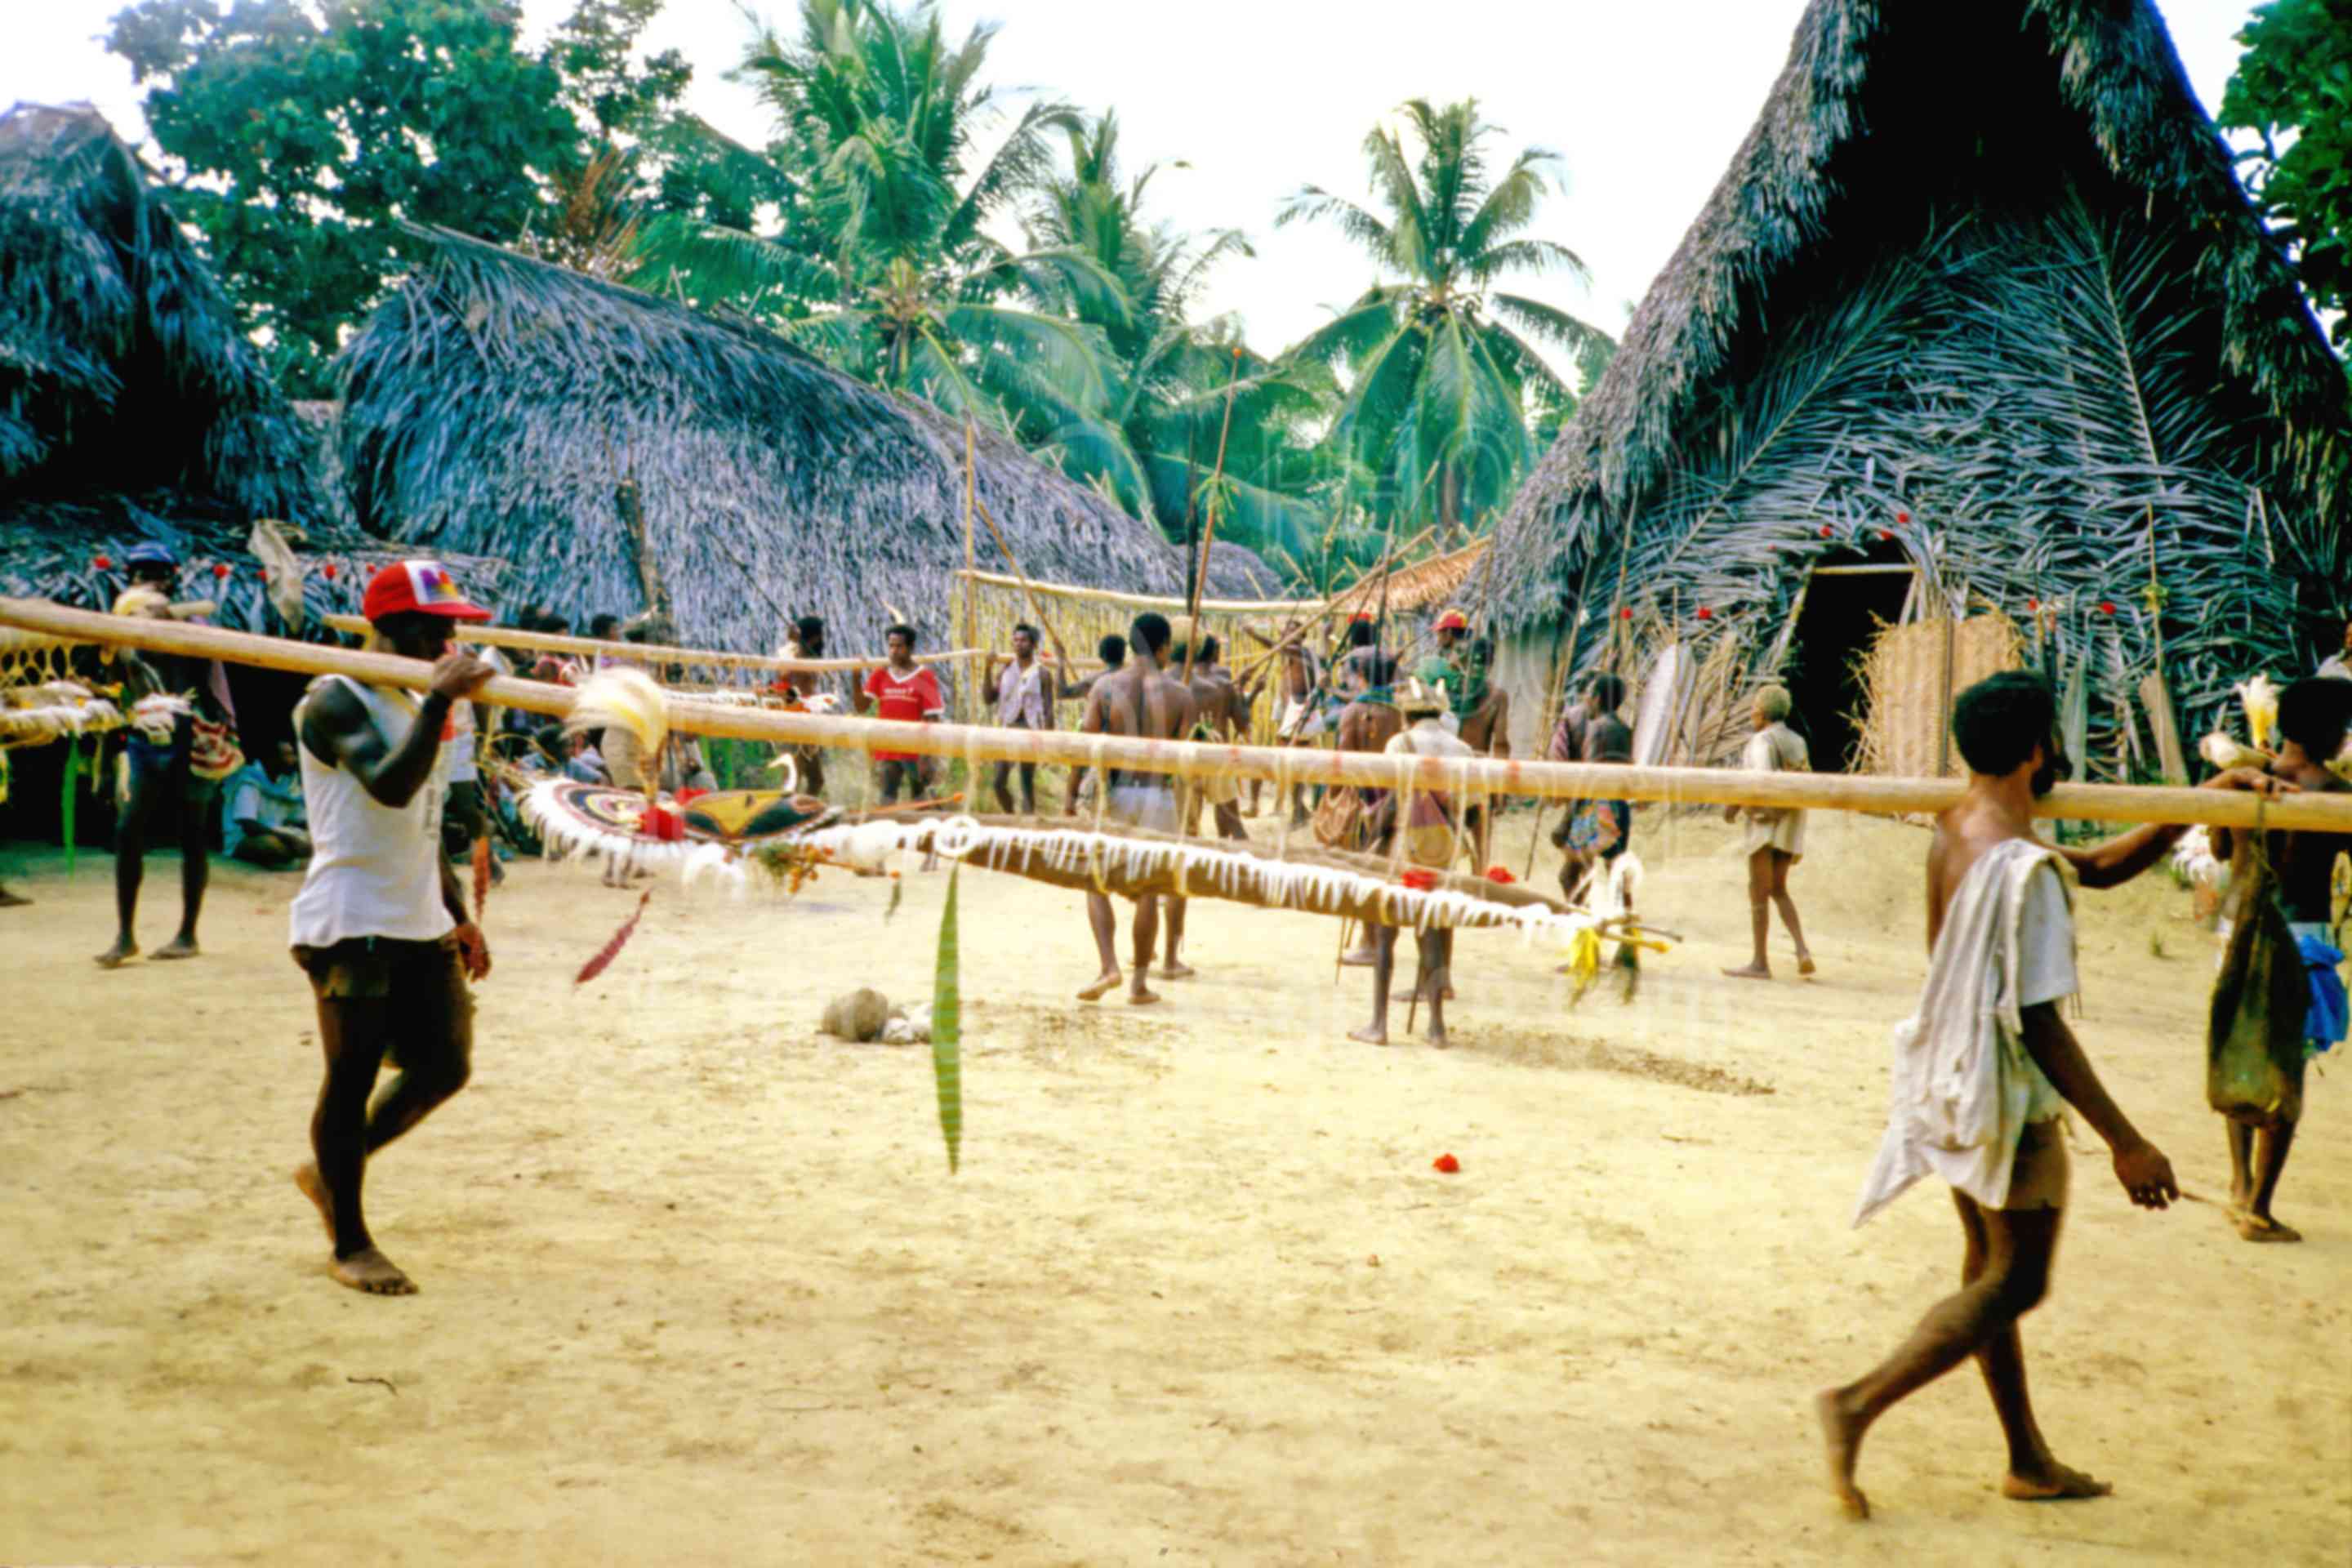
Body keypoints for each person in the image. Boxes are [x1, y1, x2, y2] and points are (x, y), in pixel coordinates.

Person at [1818, 670, 2287, 1521]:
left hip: (1950, 1078)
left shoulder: (1966, 825)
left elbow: (2103, 868)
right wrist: (2127, 1141)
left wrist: (2209, 792)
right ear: (2038, 748)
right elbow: (2039, 1022)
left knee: (1985, 1271)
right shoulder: (2020, 865)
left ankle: (2027, 1459)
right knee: (2015, 1283)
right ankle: (1858, 1403)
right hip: (2002, 1092)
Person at [288, 559, 497, 1296]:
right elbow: (388, 786)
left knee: (445, 1064)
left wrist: (459, 917)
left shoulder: (410, 700)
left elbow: (425, 822)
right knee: (348, 1081)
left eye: (453, 631)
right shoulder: (333, 699)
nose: (447, 643)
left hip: (416, 914)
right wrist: (441, 704)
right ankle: (350, 1240)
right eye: (434, 629)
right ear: (391, 627)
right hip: (353, 917)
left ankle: (330, 1172)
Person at [2206, 675, 2352, 1243]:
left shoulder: (2248, 780)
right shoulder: (2334, 793)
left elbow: (2219, 848)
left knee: (2241, 1050)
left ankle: (2240, 1185)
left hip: (2238, 929)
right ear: (2333, 732)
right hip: (2301, 936)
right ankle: (2260, 1208)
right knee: (2285, 1070)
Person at [97, 550, 243, 968]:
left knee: (192, 834)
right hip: (144, 736)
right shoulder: (121, 628)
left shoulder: (191, 626)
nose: (152, 582)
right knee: (127, 832)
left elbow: (208, 683)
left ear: (173, 580)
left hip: (188, 735)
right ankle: (125, 935)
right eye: (143, 575)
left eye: (159, 575)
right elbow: (113, 677)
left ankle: (187, 934)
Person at [1351, 676, 1481, 1047]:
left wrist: (1373, 828)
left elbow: (1392, 800)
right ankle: (1437, 1027)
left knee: (1386, 933)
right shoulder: (1463, 749)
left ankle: (1379, 1024)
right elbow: (1471, 810)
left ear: (1407, 714)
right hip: (1444, 850)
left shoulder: (1399, 744)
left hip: (1404, 847)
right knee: (1433, 932)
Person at [1075, 612, 1196, 1004]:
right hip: (1158, 796)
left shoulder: (1105, 687)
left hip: (1116, 794)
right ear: (1163, 647)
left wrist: (1070, 796)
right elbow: (1184, 763)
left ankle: (1109, 965)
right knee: (1150, 889)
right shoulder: (1181, 695)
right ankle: (1139, 984)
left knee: (1096, 880)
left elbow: (1086, 747)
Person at [1723, 684, 1816, 979]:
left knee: (1758, 891)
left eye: (1754, 708)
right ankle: (1802, 950)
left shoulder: (1761, 741)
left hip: (1765, 824)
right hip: (1791, 823)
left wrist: (1735, 806)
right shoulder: (1797, 741)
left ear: (1762, 712)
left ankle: (1760, 962)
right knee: (1779, 888)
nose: (1751, 712)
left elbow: (1759, 781)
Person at [1334, 654, 1407, 968]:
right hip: (1399, 801)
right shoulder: (1402, 712)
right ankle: (1381, 938)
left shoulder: (1354, 712)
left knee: (1365, 871)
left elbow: (1343, 761)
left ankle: (1369, 942)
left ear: (1361, 674)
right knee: (1388, 871)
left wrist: (1337, 796)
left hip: (1367, 802)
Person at [859, 623, 945, 804]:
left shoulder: (924, 677)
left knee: (921, 798)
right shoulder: (880, 675)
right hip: (888, 746)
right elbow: (861, 707)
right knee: (887, 797)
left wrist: (927, 757)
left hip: (915, 750)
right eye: (891, 646)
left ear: (911, 648)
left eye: (899, 646)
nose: (894, 651)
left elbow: (933, 719)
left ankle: (930, 827)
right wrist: (854, 676)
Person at [987, 622, 1054, 814]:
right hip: (1008, 728)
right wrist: (987, 669)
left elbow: (1049, 710)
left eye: (1024, 640)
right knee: (999, 782)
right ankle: (1010, 818)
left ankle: (1028, 825)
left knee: (1026, 782)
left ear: (1033, 645)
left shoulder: (1042, 673)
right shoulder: (1006, 670)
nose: (1019, 644)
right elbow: (988, 698)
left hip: (1030, 729)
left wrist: (1048, 740)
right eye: (1016, 640)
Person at [1060, 633, 1126, 817]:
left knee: (1077, 767)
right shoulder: (1131, 680)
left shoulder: (1095, 680)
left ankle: (1069, 808)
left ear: (1102, 655)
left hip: (1094, 730)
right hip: (1123, 733)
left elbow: (1062, 692)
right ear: (1123, 654)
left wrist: (1060, 663)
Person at [225, 741, 312, 870]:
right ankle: (297, 861)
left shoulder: (288, 782)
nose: (293, 760)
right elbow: (248, 826)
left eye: (293, 754)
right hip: (247, 839)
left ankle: (290, 860)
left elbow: (297, 820)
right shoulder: (250, 780)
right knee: (270, 845)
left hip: (282, 834)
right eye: (287, 755)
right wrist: (290, 840)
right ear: (271, 759)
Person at [777, 615, 835, 797]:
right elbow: (784, 674)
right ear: (816, 637)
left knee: (816, 781)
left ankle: (802, 810)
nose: (822, 639)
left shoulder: (811, 655)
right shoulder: (793, 654)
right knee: (792, 779)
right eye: (820, 636)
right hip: (795, 720)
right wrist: (792, 644)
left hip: (810, 720)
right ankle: (783, 816)